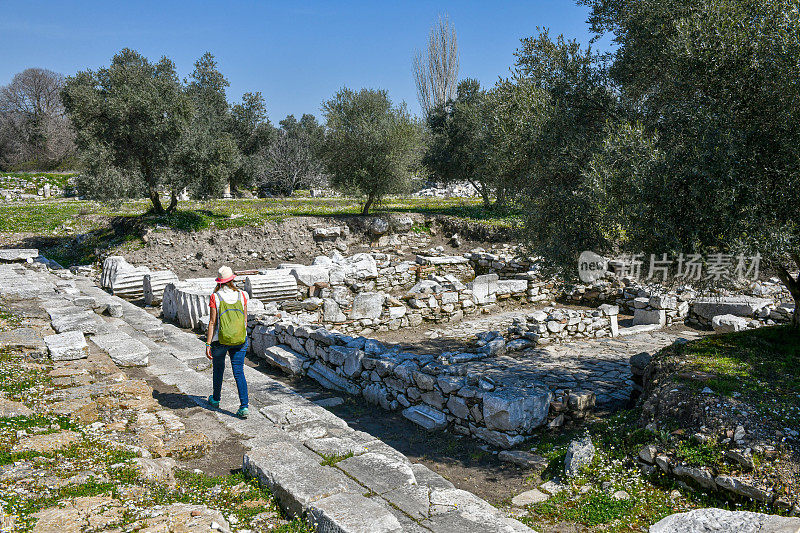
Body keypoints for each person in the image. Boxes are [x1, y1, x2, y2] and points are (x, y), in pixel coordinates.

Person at [205, 266, 249, 418]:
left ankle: (216, 399)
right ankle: (244, 407)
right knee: (239, 372)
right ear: (232, 280)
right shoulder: (242, 295)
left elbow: (212, 322)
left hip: (220, 340)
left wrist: (208, 344)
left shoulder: (215, 297)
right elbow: (245, 320)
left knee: (218, 369)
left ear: (219, 281)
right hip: (239, 339)